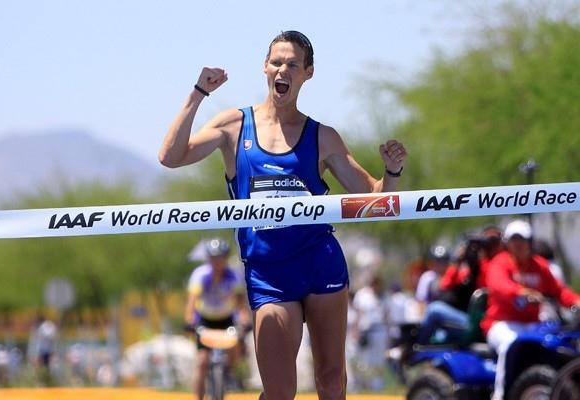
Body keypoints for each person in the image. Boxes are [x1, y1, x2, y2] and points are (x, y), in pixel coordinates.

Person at [160, 30, 407, 399]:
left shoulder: (323, 137)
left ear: (308, 72)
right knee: (279, 392)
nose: (283, 69)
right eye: (277, 62)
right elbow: (171, 157)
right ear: (265, 67)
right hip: (268, 272)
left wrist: (392, 172)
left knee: (329, 381)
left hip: (320, 265)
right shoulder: (233, 125)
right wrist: (198, 93)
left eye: (293, 64)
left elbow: (375, 200)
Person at [480, 220, 580, 400]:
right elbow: (498, 286)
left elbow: (559, 291)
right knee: (509, 343)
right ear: (507, 243)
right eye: (513, 240)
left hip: (533, 325)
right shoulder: (500, 262)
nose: (517, 244)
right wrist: (521, 292)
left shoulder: (540, 266)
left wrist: (577, 301)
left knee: (559, 343)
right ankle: (500, 395)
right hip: (501, 324)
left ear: (530, 242)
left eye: (522, 239)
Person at [184, 238, 250, 400]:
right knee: (201, 362)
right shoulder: (200, 275)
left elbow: (240, 304)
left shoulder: (233, 276)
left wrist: (245, 321)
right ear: (208, 259)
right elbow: (191, 302)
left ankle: (228, 371)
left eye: (220, 257)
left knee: (234, 346)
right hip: (204, 319)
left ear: (225, 258)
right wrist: (189, 321)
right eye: (213, 258)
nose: (217, 261)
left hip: (226, 318)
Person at [417, 226, 502, 344]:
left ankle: (418, 347)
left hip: (484, 322)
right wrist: (458, 260)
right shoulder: (471, 267)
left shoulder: (497, 265)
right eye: (486, 243)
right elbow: (444, 286)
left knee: (434, 310)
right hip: (471, 318)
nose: (489, 246)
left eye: (494, 242)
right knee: (441, 330)